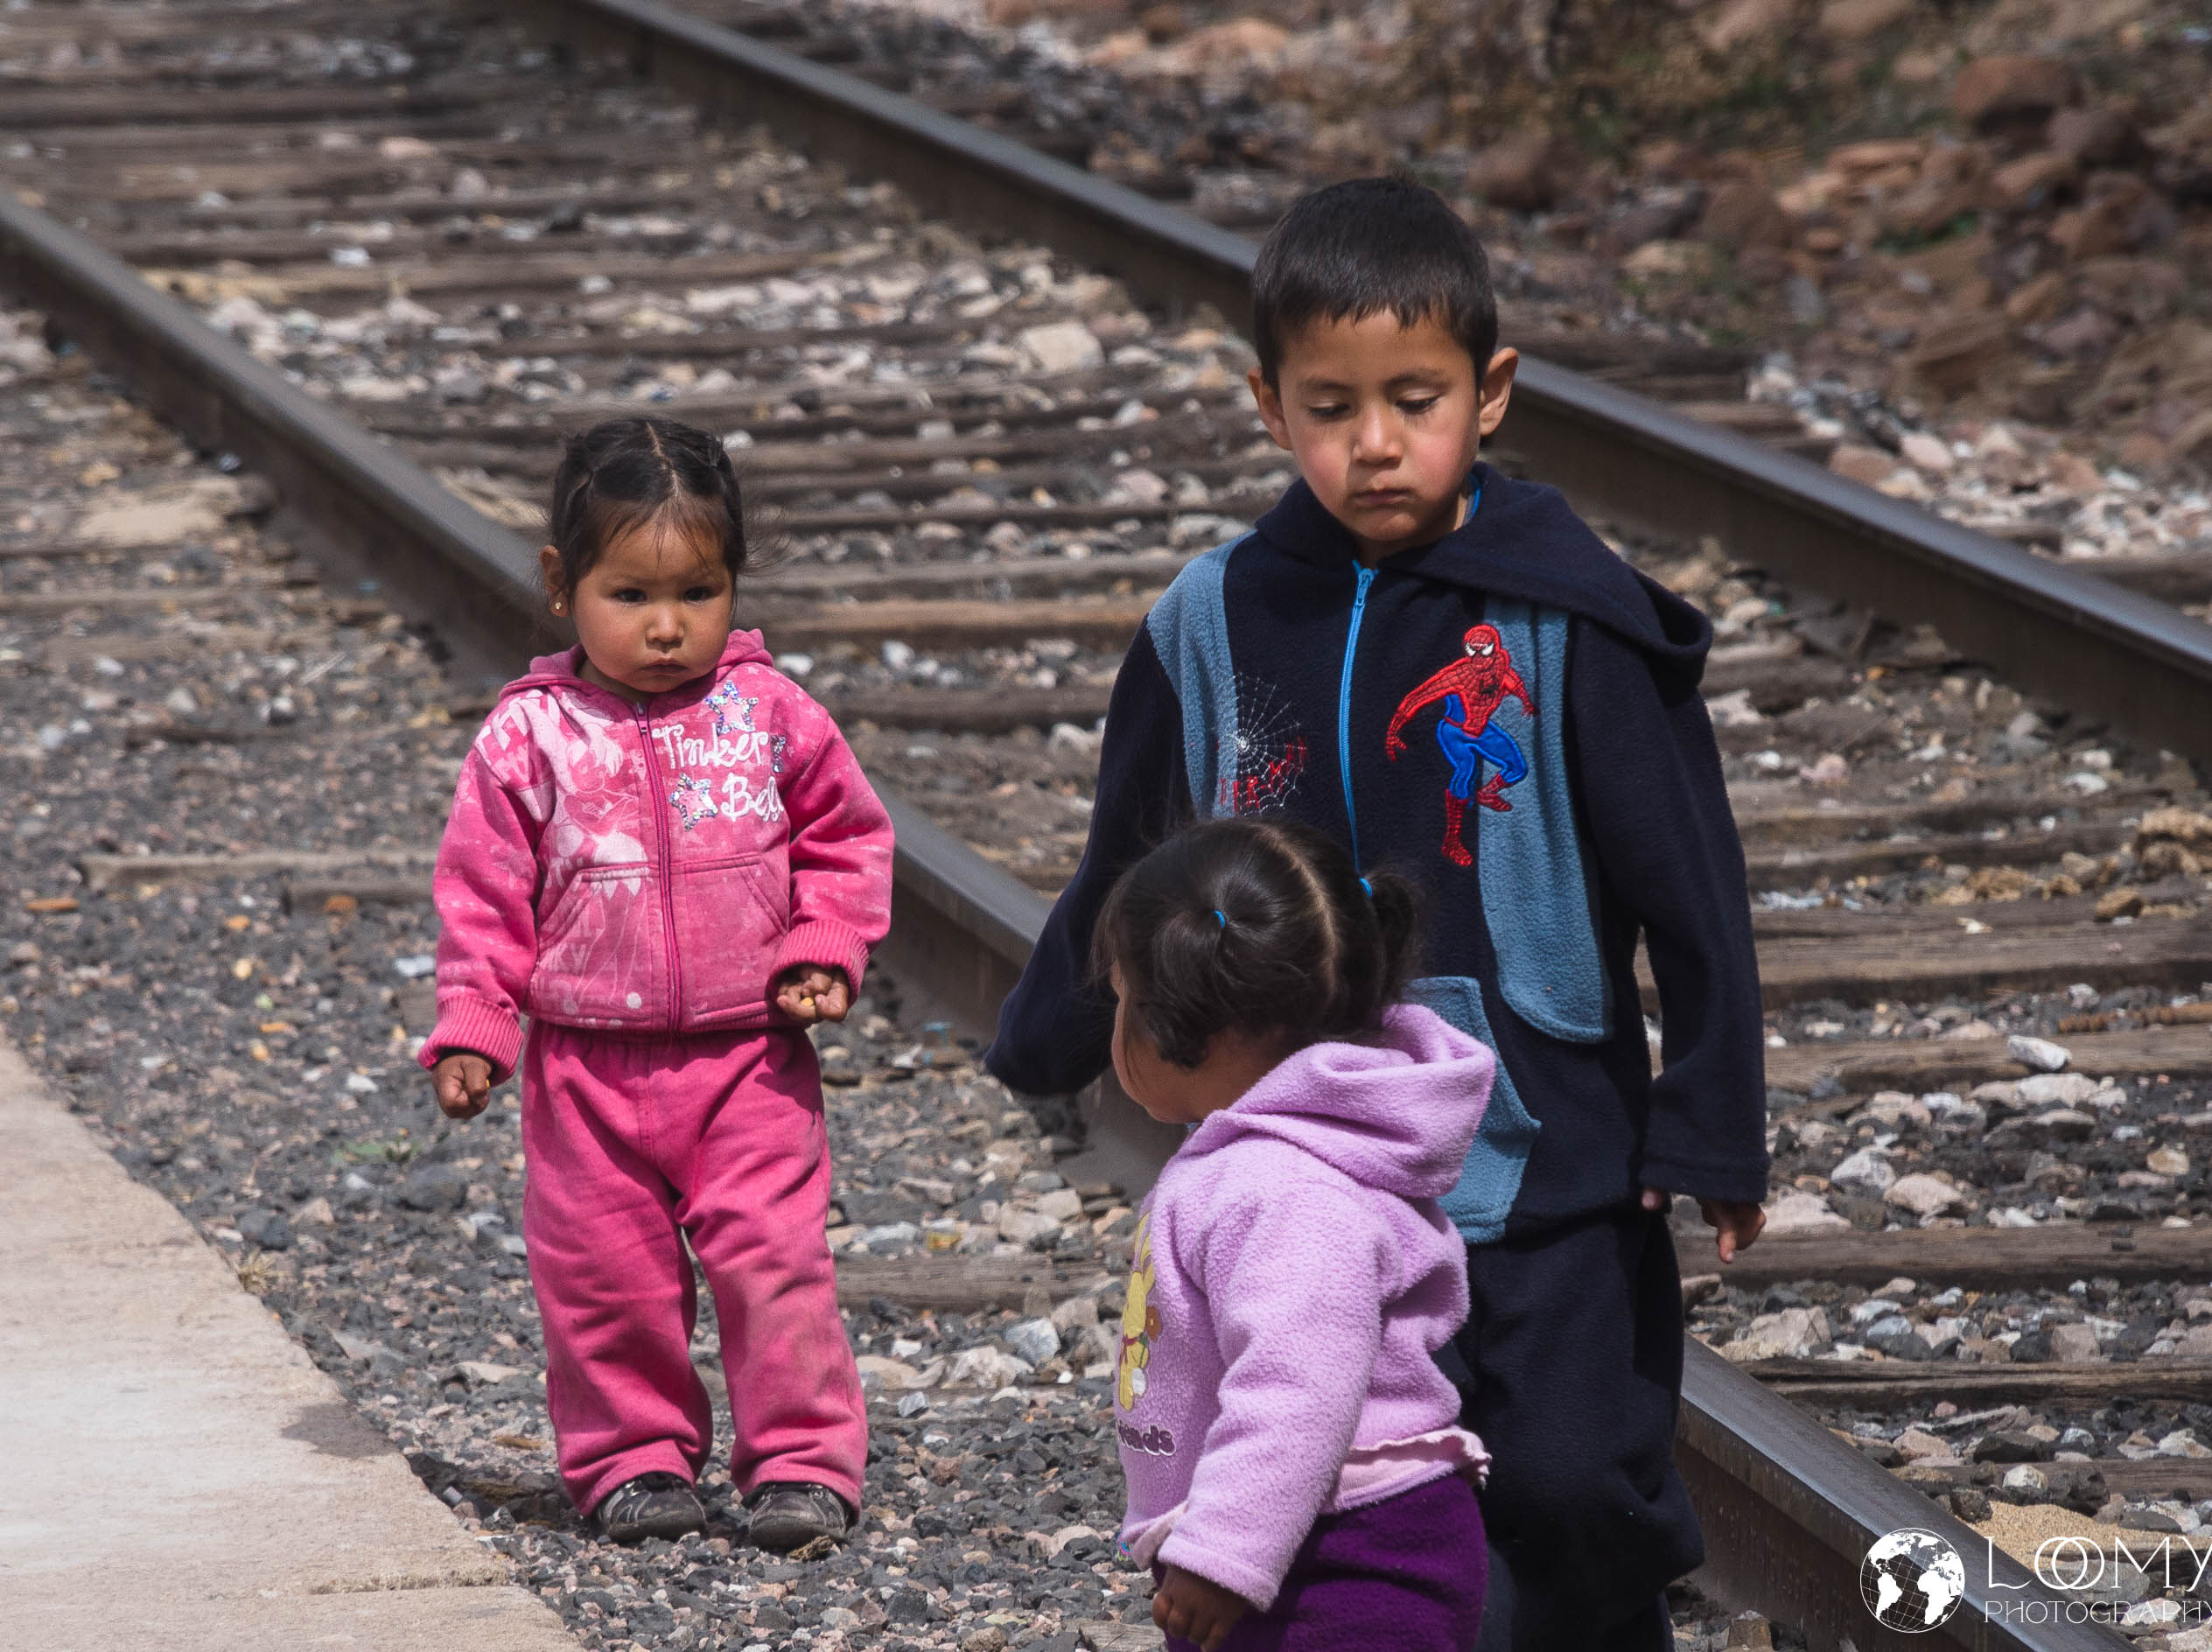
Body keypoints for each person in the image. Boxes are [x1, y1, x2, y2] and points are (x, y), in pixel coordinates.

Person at [987, 177, 1769, 1651]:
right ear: (1269, 405)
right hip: (1306, 1160)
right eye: (1331, 406)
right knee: (1362, 1486)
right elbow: (1128, 859)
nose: (1376, 442)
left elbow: (1691, 879)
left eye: (1416, 401)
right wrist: (1052, 1032)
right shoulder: (1213, 618)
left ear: (1492, 392)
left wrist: (1712, 1115)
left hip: (1548, 1150)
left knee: (1575, 1482)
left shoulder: (1565, 618)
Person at [420, 416, 892, 1552]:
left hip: (749, 1062)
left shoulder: (773, 714)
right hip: (585, 1069)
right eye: (630, 594)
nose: (669, 625)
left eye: (699, 591)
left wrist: (823, 945)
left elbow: (845, 840)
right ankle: (631, 1460)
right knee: (604, 1278)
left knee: (775, 1265)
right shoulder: (529, 737)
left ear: (736, 583)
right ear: (561, 584)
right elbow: (484, 894)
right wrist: (477, 1022)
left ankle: (800, 1462)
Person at [1096, 816, 1494, 1652]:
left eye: (1123, 998)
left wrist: (1224, 1553)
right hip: (1304, 1536)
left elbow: (1297, 1385)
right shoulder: (1267, 1160)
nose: (1116, 1021)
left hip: (1346, 1555)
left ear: (1187, 1029)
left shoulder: (1288, 1191)